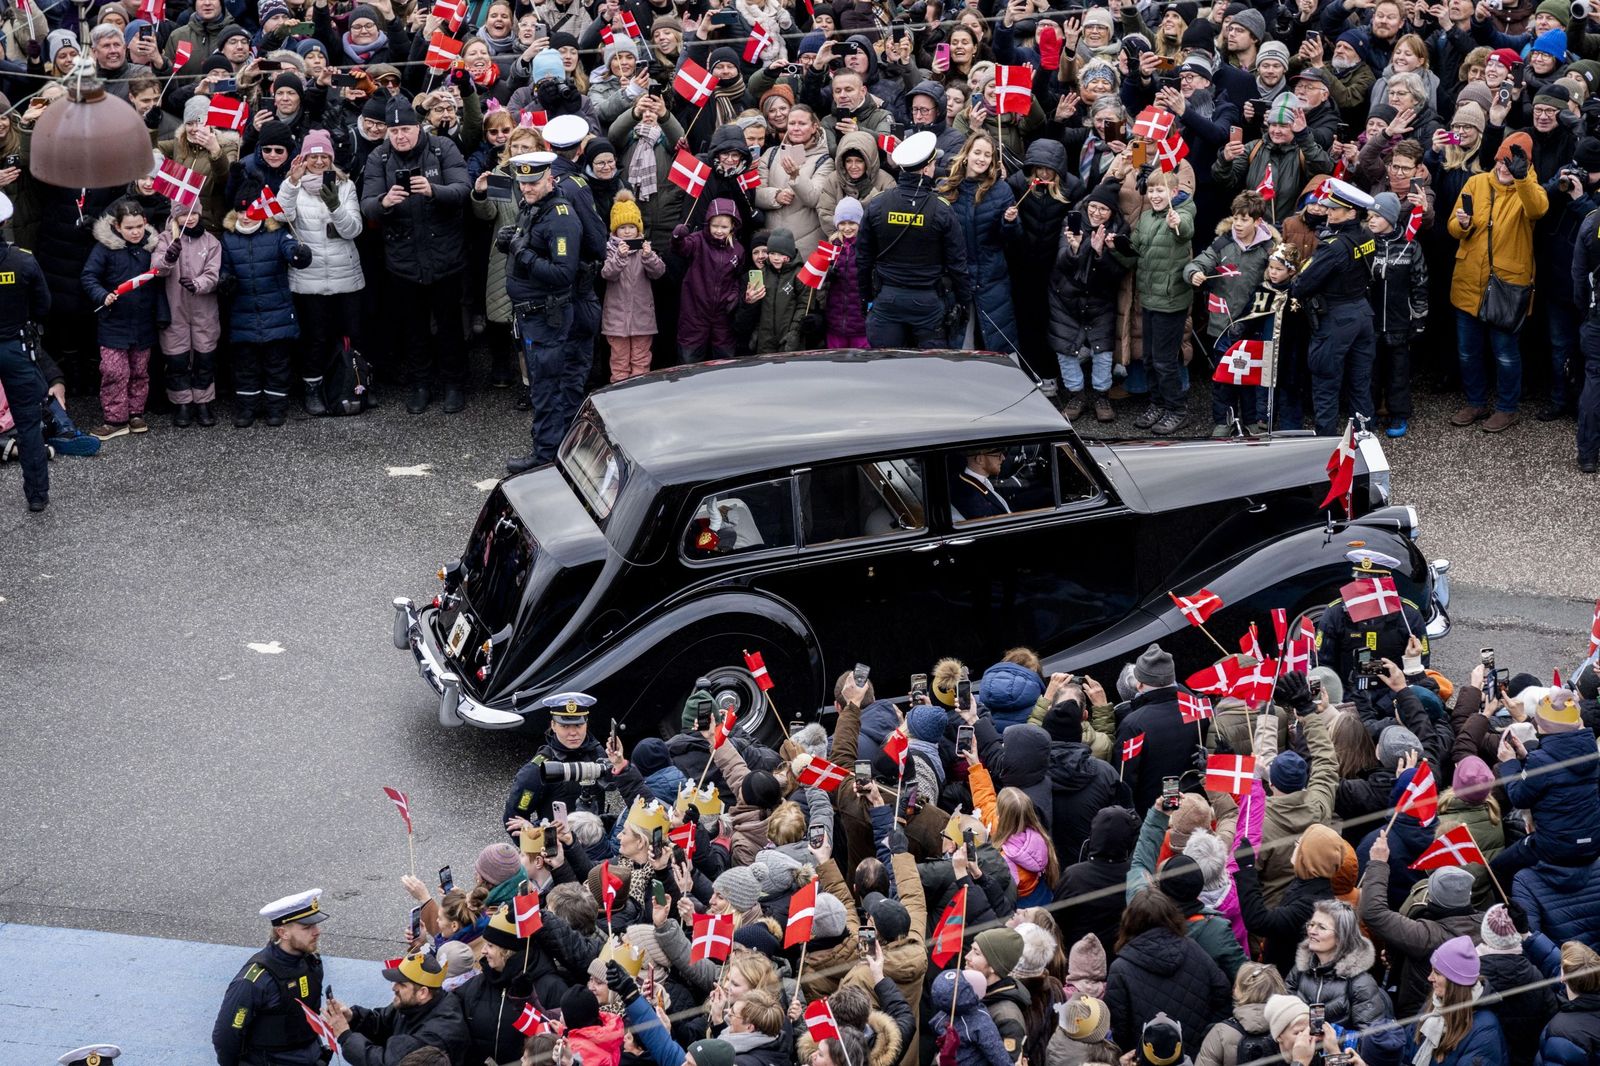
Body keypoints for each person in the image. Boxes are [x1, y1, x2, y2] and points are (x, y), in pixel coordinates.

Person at [360, 97, 471, 416]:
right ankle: (420, 384)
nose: (400, 136)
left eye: (405, 129)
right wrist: (385, 201)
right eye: (394, 131)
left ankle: (454, 384)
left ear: (418, 127)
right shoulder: (379, 157)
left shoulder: (441, 148)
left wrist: (434, 190)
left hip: (445, 255)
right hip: (403, 259)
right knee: (414, 327)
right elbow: (366, 203)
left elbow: (463, 189)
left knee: (450, 325)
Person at [499, 151, 583, 475]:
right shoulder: (533, 207)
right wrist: (508, 242)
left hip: (547, 317)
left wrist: (523, 254)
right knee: (541, 385)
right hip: (531, 315)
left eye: (533, 182)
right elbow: (527, 244)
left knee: (547, 388)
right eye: (522, 183)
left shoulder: (560, 216)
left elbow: (563, 273)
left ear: (550, 177)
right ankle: (549, 449)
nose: (526, 189)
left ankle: (546, 455)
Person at [857, 131, 972, 349]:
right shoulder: (941, 209)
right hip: (928, 303)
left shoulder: (878, 204)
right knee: (928, 375)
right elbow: (958, 264)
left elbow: (862, 259)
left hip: (887, 299)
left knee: (887, 370)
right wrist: (963, 303)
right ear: (927, 168)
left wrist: (865, 299)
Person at [1288, 177, 1379, 437]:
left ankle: (1327, 445)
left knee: (1326, 383)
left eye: (1333, 209)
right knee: (1360, 384)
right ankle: (1365, 441)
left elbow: (1302, 285)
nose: (1327, 211)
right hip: (1362, 312)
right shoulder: (1366, 234)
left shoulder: (1334, 247)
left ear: (1351, 212)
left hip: (1336, 318)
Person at [212, 889, 328, 1066]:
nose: (317, 931)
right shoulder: (255, 980)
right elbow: (226, 1036)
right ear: (283, 933)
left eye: (315, 925)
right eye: (307, 927)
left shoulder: (311, 963)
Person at [82, 198, 165, 441]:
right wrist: (102, 295)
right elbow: (89, 277)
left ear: (145, 223)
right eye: (129, 228)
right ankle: (115, 419)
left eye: (139, 226)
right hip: (113, 321)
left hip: (143, 321)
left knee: (140, 371)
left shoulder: (151, 247)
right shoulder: (104, 249)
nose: (136, 232)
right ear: (117, 227)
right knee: (114, 371)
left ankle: (136, 413)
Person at [0, 191, 52, 512]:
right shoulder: (23, 260)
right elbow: (43, 306)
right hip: (15, 347)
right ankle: (36, 494)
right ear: (5, 220)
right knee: (29, 422)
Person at [320, 953, 470, 1064]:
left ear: (423, 992)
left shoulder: (435, 1035)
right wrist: (353, 1017)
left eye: (402, 984)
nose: (394, 987)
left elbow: (386, 1062)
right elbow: (382, 1022)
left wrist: (345, 1036)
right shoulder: (413, 1004)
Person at [501, 692, 613, 825]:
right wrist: (540, 841)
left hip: (596, 839)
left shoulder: (598, 753)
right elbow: (514, 817)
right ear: (553, 725)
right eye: (565, 726)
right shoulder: (539, 768)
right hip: (559, 842)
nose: (573, 733)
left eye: (578, 725)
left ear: (586, 723)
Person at [1403, 937, 1509, 1065]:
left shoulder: (1485, 1030)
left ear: (1455, 982)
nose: (1430, 978)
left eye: (1437, 972)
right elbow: (1405, 1051)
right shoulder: (1433, 1005)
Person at [599, 190, 664, 383]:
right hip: (616, 320)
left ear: (639, 228)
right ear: (614, 230)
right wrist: (619, 257)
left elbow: (659, 272)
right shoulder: (610, 249)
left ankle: (638, 396)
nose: (627, 231)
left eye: (631, 227)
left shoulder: (645, 248)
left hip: (642, 318)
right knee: (619, 362)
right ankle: (619, 396)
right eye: (622, 227)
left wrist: (649, 257)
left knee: (641, 361)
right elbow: (607, 273)